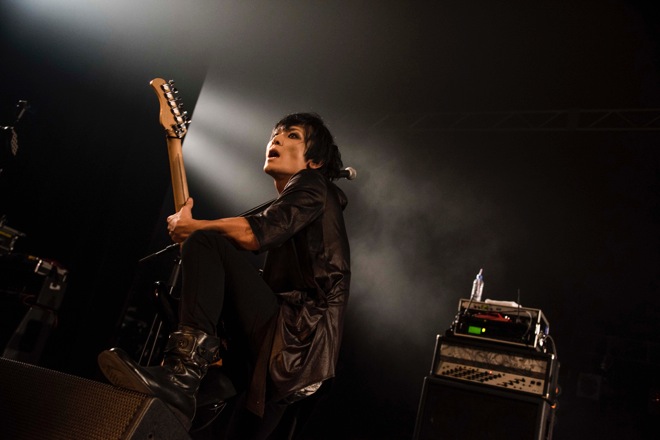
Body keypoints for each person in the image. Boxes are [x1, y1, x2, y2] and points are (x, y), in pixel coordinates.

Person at [98, 112, 351, 439]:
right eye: (275, 134)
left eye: (292, 136)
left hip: (293, 338)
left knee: (205, 241)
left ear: (315, 162)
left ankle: (181, 377)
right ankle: (187, 392)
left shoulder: (312, 184)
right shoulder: (303, 203)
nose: (276, 139)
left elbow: (257, 233)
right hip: (294, 359)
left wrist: (195, 228)